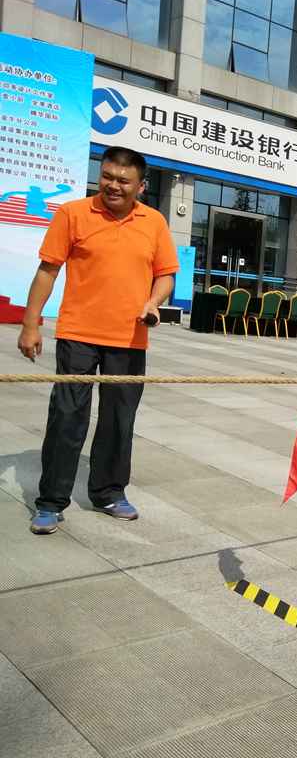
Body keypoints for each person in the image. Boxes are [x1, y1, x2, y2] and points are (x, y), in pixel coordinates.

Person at [16, 146, 179, 535]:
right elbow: (48, 270)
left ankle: (108, 492)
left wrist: (153, 302)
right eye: (107, 176)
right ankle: (51, 501)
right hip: (78, 334)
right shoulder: (72, 213)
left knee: (119, 420)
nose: (113, 185)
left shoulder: (154, 222)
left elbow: (166, 275)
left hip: (129, 337)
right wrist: (30, 324)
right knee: (67, 417)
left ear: (141, 186)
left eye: (124, 180)